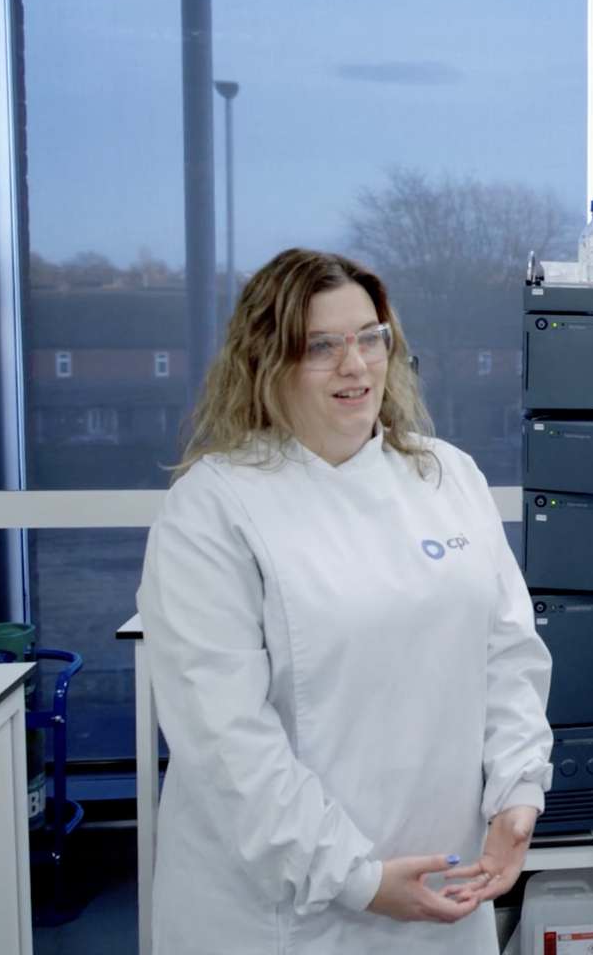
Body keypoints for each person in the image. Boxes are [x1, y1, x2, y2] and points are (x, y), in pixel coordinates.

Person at [138, 249, 553, 953]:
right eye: (320, 347)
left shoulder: (448, 476)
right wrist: (354, 877)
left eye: (370, 338)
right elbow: (227, 744)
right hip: (283, 913)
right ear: (266, 361)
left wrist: (518, 791)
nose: (354, 366)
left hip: (443, 884)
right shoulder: (213, 508)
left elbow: (507, 655)